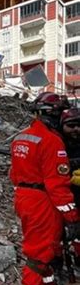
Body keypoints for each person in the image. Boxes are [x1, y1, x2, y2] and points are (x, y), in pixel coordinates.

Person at [10, 92, 78, 285]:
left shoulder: (21, 137)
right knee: (39, 254)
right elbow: (57, 184)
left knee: (50, 248)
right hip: (42, 201)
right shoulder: (52, 141)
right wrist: (72, 215)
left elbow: (14, 174)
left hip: (25, 196)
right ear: (54, 115)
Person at [60, 108, 80, 267]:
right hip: (64, 197)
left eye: (79, 125)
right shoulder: (58, 143)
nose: (76, 129)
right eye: (71, 125)